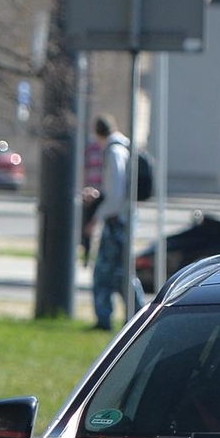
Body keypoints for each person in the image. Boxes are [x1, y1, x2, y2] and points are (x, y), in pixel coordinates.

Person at [87, 114, 134, 330]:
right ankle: (136, 316)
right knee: (122, 271)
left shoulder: (114, 152)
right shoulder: (124, 148)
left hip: (117, 222)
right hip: (123, 219)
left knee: (105, 273)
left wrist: (98, 216)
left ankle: (105, 318)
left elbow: (115, 194)